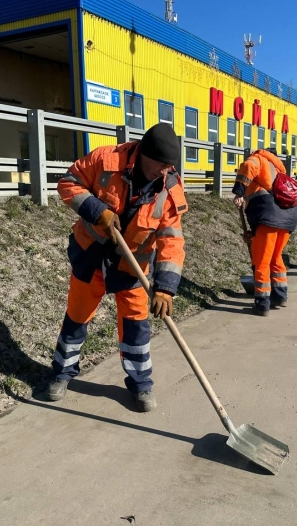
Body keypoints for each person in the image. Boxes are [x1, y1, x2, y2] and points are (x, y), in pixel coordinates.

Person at [46, 123, 187, 412]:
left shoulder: (170, 189)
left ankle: (141, 384)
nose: (165, 171)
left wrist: (166, 288)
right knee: (77, 317)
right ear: (144, 154)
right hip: (91, 256)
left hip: (133, 267)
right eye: (161, 165)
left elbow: (172, 241)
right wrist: (98, 212)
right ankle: (62, 372)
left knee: (136, 326)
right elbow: (68, 183)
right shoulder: (105, 160)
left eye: (169, 166)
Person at [232, 148, 297, 316]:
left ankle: (262, 304)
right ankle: (280, 296)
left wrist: (239, 192)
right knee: (275, 257)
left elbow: (248, 166)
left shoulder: (259, 159)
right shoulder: (279, 169)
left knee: (261, 261)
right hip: (288, 218)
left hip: (270, 217)